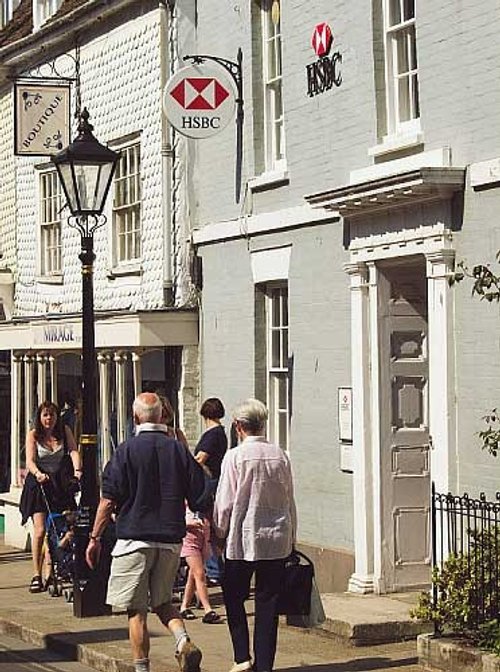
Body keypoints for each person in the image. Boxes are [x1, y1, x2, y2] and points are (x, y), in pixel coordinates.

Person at [85, 392, 205, 672]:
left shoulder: (126, 450)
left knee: (136, 611)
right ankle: (183, 640)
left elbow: (108, 500)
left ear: (135, 416)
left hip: (134, 541)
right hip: (171, 542)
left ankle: (141, 669)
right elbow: (200, 494)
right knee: (163, 602)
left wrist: (94, 538)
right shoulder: (178, 451)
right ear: (162, 416)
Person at [213, 398, 297, 672]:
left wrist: (218, 531)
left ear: (238, 427)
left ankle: (241, 657)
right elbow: (289, 498)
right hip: (276, 538)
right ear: (262, 425)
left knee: (234, 596)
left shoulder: (235, 457)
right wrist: (292, 535)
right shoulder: (280, 455)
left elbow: (225, 502)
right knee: (268, 603)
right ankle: (264, 665)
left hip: (243, 538)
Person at [19, 401, 82, 594]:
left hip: (59, 484)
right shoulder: (33, 435)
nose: (49, 419)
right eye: (45, 415)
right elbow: (29, 460)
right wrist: (37, 472)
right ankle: (36, 574)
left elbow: (72, 450)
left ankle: (50, 570)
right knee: (40, 531)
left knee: (60, 528)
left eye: (52, 415)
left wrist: (78, 471)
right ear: (39, 417)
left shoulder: (64, 431)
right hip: (39, 485)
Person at [194, 397, 228, 584]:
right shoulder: (221, 433)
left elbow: (200, 459)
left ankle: (214, 570)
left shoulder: (212, 434)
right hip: (214, 482)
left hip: (209, 483)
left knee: (206, 527)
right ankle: (215, 567)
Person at [178, 507, 221, 623]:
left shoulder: (203, 502)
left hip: (203, 540)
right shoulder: (182, 500)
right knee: (200, 574)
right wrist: (189, 524)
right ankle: (208, 610)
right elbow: (174, 521)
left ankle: (184, 607)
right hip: (189, 541)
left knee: (193, 576)